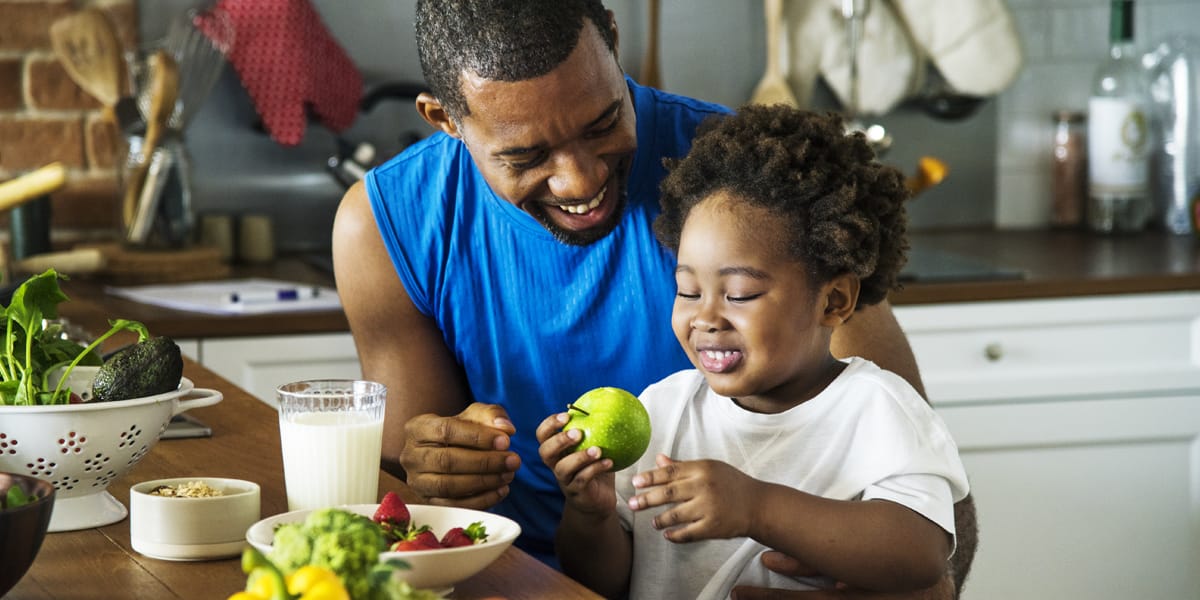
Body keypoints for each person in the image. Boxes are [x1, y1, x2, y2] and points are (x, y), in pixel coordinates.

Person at [331, 0, 978, 596]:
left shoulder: (747, 193)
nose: (580, 178)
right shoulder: (388, 225)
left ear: (614, 41)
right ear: (444, 119)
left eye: (603, 121)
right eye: (526, 155)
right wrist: (437, 470)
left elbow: (932, 509)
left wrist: (918, 589)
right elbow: (403, 507)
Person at [536, 106, 970, 599]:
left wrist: (755, 507)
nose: (705, 317)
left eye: (739, 294)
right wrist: (589, 515)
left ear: (833, 301)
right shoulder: (664, 409)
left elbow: (920, 555)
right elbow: (602, 582)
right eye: (687, 290)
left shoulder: (877, 409)